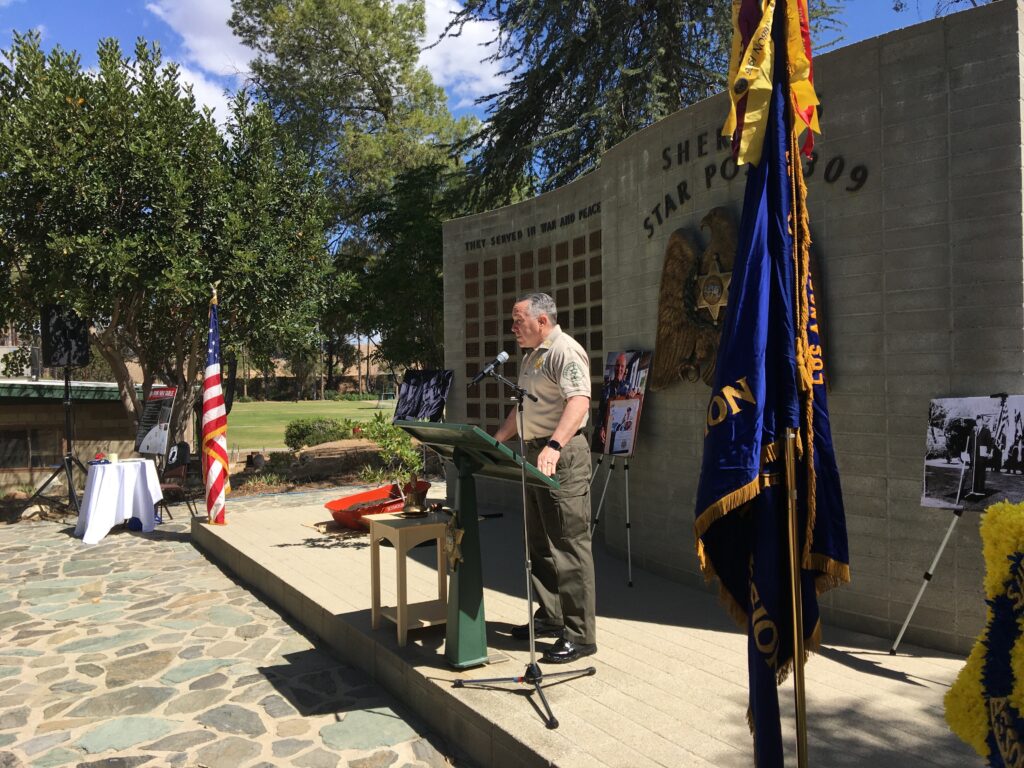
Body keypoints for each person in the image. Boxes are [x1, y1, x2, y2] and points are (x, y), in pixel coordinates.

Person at [492, 292, 597, 663]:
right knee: (538, 541)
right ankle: (552, 617)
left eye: (518, 320)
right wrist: (496, 441)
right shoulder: (533, 356)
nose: (513, 327)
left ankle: (581, 635)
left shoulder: (564, 350)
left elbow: (579, 401)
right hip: (535, 454)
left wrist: (554, 445)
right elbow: (521, 411)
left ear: (542, 321)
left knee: (569, 544)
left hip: (561, 456)